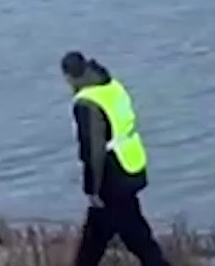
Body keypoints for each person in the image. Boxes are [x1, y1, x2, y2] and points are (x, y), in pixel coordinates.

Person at [62, 50, 171, 266]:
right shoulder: (111, 86)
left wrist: (91, 188)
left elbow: (93, 150)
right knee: (99, 235)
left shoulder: (86, 102)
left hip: (112, 176)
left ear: (69, 76)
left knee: (135, 237)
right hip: (131, 163)